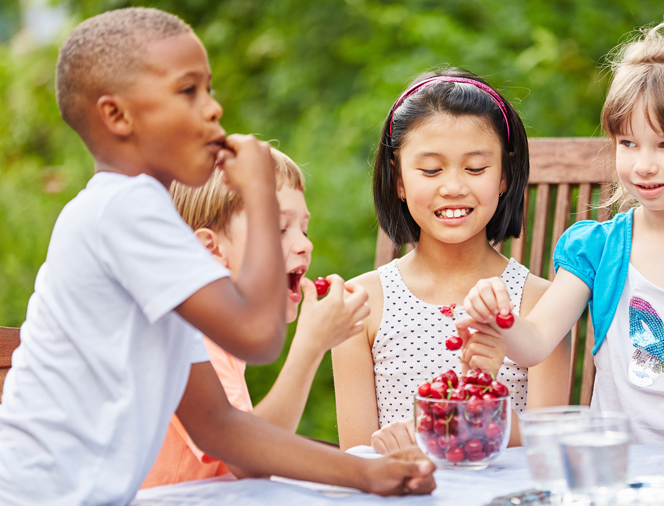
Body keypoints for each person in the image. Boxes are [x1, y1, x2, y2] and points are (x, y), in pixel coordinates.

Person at [0, 8, 433, 504]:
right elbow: (259, 336)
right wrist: (258, 192)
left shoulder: (154, 253)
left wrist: (366, 475)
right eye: (188, 91)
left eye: (209, 90)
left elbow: (223, 430)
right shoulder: (124, 208)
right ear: (116, 116)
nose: (213, 109)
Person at [458, 22, 664, 445]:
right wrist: (500, 318)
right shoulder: (599, 249)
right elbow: (535, 344)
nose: (643, 164)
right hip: (616, 473)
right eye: (628, 142)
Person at [332, 68, 571, 454]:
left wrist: (452, 424)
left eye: (476, 168)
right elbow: (357, 452)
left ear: (505, 175)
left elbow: (549, 439)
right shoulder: (359, 302)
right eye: (430, 170)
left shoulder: (542, 304)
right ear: (399, 180)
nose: (454, 187)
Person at [142, 149, 368, 487]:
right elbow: (252, 458)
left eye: (304, 229)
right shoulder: (190, 333)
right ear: (211, 250)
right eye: (279, 229)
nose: (305, 245)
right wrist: (311, 346)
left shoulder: (221, 336)